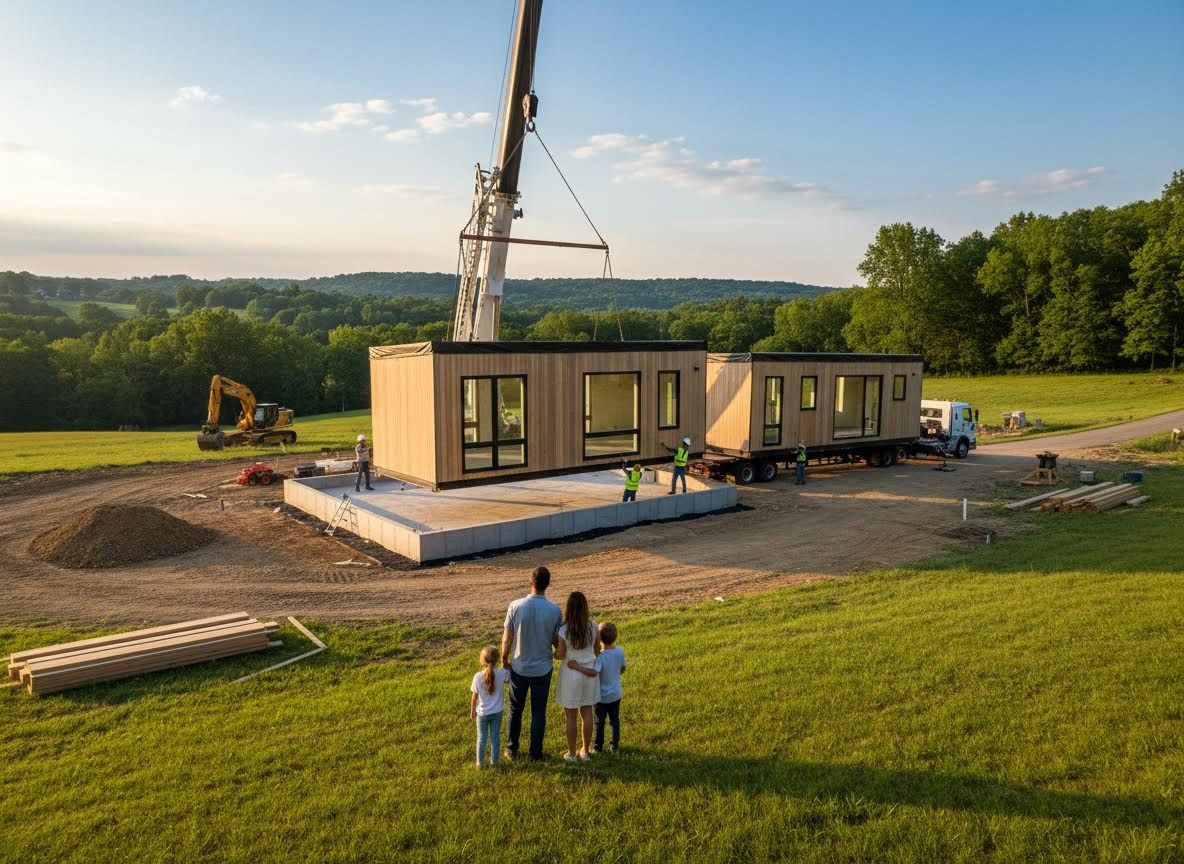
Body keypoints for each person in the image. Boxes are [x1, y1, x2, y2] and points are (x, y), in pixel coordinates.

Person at [501, 566, 563, 762]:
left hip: (519, 666)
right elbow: (556, 640)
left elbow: (507, 638)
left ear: (530, 582)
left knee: (515, 709)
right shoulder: (554, 610)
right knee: (538, 712)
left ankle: (511, 749)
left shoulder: (515, 606)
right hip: (542, 668)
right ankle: (535, 753)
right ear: (548, 585)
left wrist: (504, 658)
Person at [555, 591, 600, 762]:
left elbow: (560, 655)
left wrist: (554, 653)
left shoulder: (564, 630)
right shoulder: (593, 627)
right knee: (587, 712)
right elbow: (597, 650)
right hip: (589, 673)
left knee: (571, 715)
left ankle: (572, 753)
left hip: (570, 674)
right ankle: (586, 751)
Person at [570, 621, 626, 754]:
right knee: (614, 721)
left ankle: (597, 747)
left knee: (599, 722)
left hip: (602, 696)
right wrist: (617, 673)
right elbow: (623, 667)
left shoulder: (600, 657)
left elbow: (593, 672)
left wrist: (577, 666)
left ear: (599, 638)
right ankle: (614, 747)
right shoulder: (619, 651)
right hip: (616, 695)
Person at [469, 645, 510, 769]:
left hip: (482, 714)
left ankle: (479, 764)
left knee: (481, 738)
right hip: (497, 712)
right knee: (495, 738)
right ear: (497, 660)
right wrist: (505, 666)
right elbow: (508, 678)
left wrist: (472, 712)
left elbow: (474, 697)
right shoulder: (503, 673)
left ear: (482, 661)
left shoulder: (477, 677)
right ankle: (494, 763)